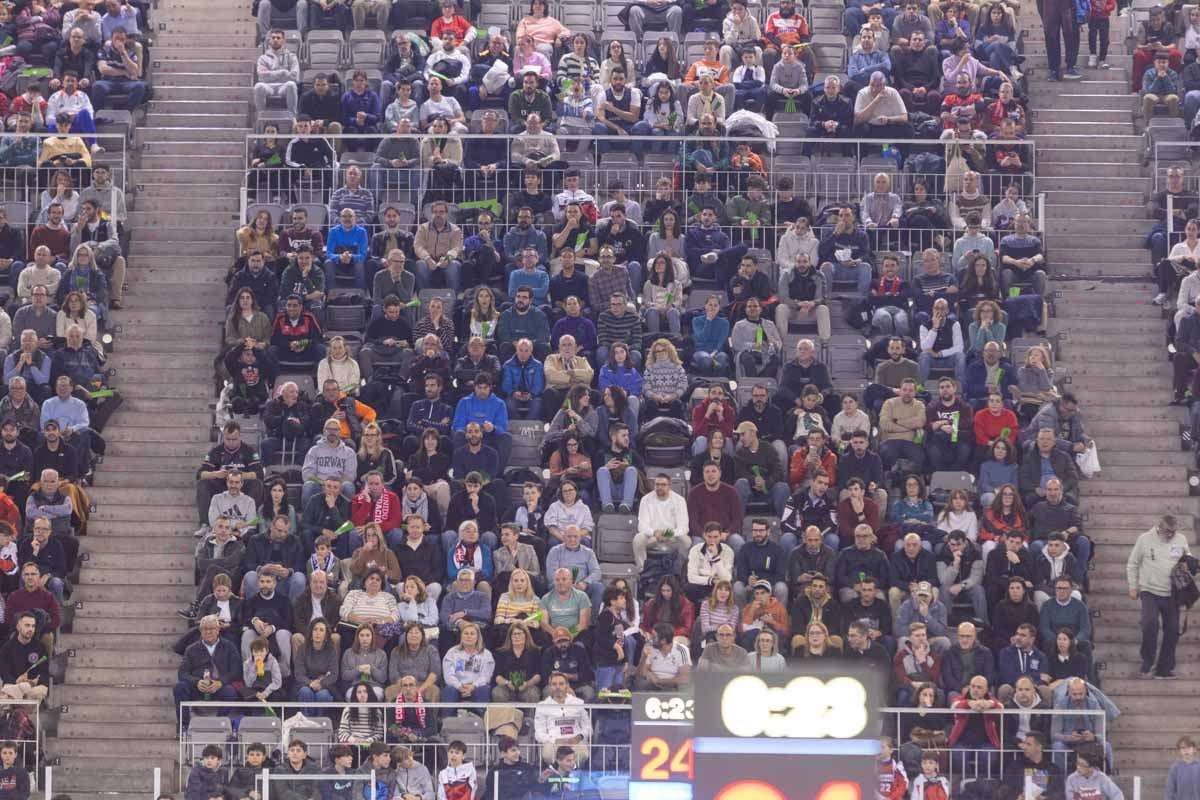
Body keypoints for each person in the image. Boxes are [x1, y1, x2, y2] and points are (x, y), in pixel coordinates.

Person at [1128, 514, 1190, 679]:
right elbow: (1133, 563)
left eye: (1174, 531)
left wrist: (1187, 565)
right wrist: (1133, 586)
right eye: (1168, 531)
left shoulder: (1181, 539)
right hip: (1149, 591)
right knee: (1150, 624)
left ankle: (1164, 668)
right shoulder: (1145, 539)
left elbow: (1188, 559)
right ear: (1159, 527)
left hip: (1172, 592)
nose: (1171, 534)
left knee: (1172, 630)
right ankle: (1147, 663)